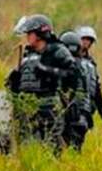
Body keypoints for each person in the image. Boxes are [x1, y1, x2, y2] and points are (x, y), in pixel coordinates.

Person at [6, 14, 80, 149]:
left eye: (30, 33)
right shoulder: (27, 55)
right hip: (27, 108)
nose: (27, 37)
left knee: (51, 147)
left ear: (40, 33)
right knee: (26, 146)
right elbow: (19, 85)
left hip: (49, 107)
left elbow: (73, 74)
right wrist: (14, 81)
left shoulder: (57, 50)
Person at [75, 25, 102, 131]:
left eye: (89, 40)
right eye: (84, 39)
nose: (86, 42)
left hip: (86, 111)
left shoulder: (91, 65)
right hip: (71, 110)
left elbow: (96, 92)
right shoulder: (68, 60)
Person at [60, 31, 92, 150]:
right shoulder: (86, 67)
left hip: (68, 116)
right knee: (75, 151)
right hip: (82, 116)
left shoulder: (62, 66)